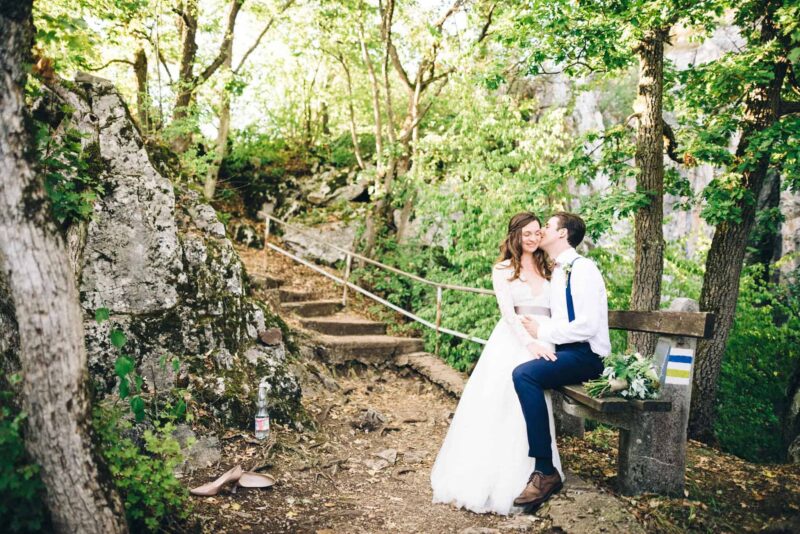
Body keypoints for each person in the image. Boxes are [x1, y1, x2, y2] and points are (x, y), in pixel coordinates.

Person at [430, 212, 564, 515]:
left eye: (536, 233)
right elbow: (507, 312)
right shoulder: (502, 268)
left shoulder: (550, 268)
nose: (532, 238)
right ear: (514, 235)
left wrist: (547, 339)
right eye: (525, 233)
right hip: (514, 339)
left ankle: (538, 471)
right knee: (502, 400)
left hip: (547, 337)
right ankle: (496, 477)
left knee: (534, 399)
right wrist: (529, 342)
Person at [511, 212, 610, 511]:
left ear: (563, 234)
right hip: (568, 351)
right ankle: (537, 466)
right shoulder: (558, 270)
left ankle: (545, 471)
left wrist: (543, 331)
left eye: (548, 226)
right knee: (523, 369)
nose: (541, 230)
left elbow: (588, 325)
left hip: (587, 355)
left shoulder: (583, 270)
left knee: (525, 375)